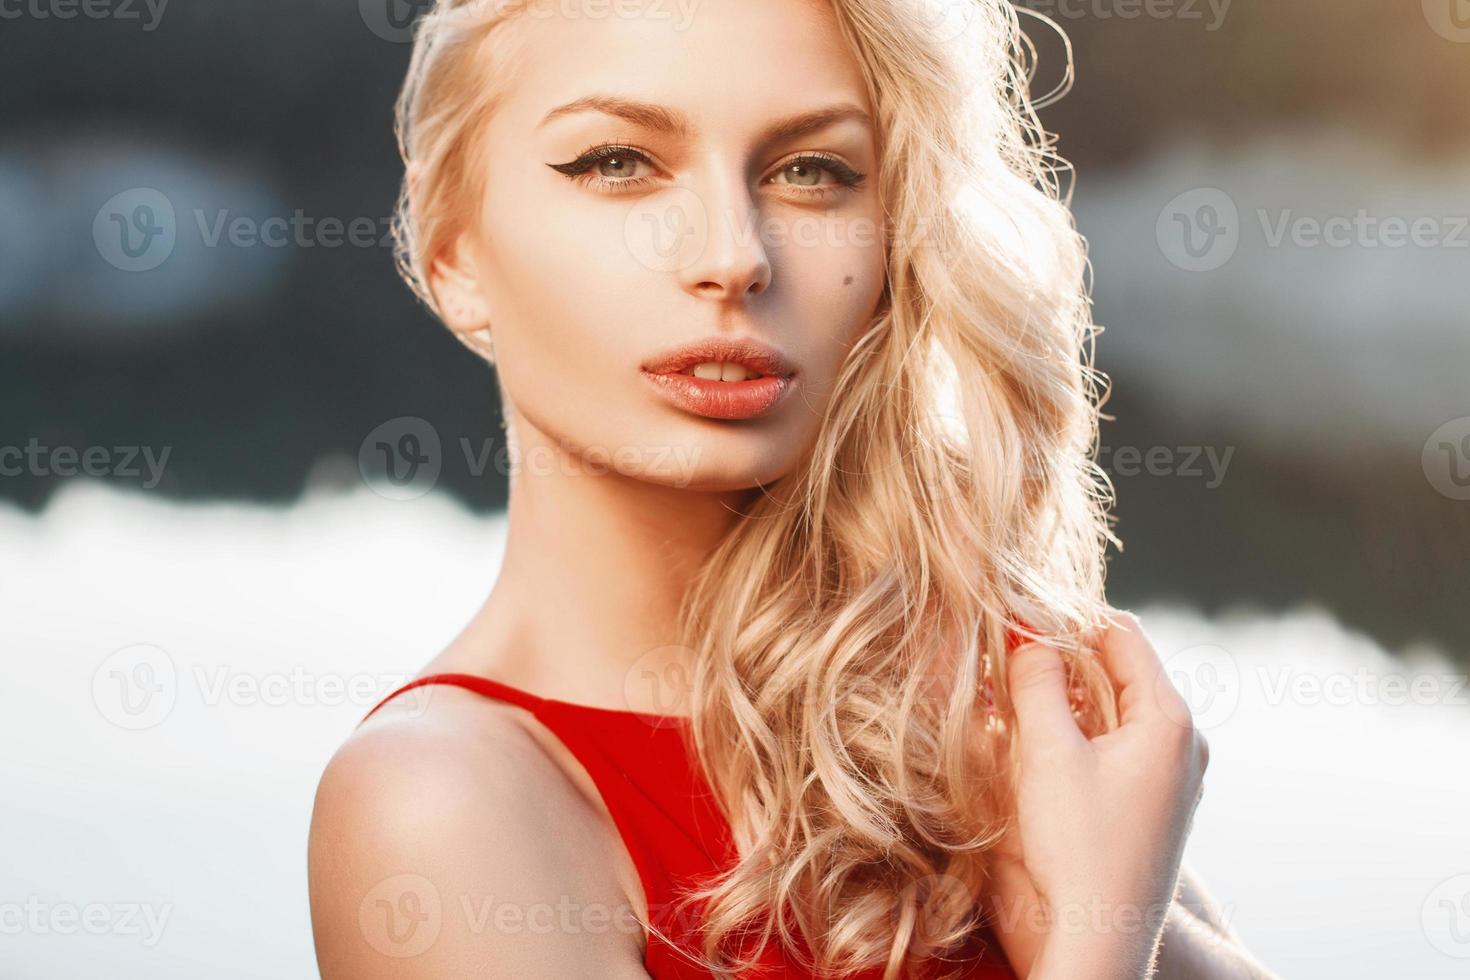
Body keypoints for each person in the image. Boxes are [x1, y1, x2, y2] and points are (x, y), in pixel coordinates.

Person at [308, 1, 1281, 977]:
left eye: (812, 171)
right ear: (454, 248)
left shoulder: (976, 723)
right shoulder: (434, 797)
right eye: (618, 162)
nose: (734, 255)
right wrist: (1099, 935)